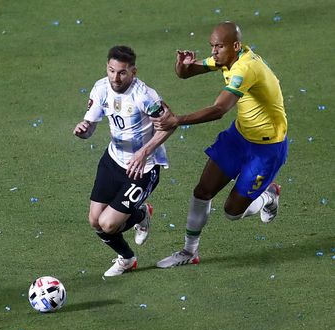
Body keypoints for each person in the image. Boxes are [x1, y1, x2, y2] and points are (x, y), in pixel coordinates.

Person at [153, 21, 288, 268]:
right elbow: (186, 73)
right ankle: (189, 252)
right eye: (212, 46)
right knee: (202, 191)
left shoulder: (246, 69)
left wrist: (176, 120)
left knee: (232, 212)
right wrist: (182, 65)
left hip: (267, 149)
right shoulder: (228, 58)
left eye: (219, 46)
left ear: (235, 45)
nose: (213, 52)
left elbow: (218, 110)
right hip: (239, 137)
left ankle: (268, 196)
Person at [73, 45, 175, 277]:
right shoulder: (101, 88)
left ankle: (139, 215)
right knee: (94, 221)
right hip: (113, 160)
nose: (115, 78)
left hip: (143, 168)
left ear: (133, 72)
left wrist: (144, 152)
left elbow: (170, 125)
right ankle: (128, 258)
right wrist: (83, 130)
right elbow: (90, 127)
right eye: (111, 71)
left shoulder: (145, 96)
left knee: (108, 224)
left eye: (122, 73)